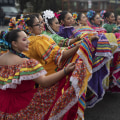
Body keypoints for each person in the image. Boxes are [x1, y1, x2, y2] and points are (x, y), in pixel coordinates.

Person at [0, 29, 87, 119]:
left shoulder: (1, 58)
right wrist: (65, 71)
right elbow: (44, 82)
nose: (28, 41)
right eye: (24, 40)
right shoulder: (26, 62)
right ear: (14, 43)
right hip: (21, 105)